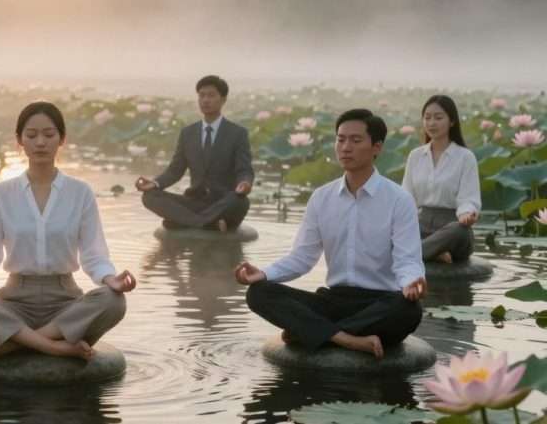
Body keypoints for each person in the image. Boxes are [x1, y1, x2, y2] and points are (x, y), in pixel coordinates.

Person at [0, 102, 135, 361]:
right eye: (31, 135)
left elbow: (94, 255)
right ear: (19, 140)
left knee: (114, 301)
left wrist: (111, 279)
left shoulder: (80, 192)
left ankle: (16, 343)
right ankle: (55, 346)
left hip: (66, 304)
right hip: (14, 304)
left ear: (62, 139)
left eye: (49, 134)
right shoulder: (2, 193)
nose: (40, 142)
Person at [234, 109, 426, 359]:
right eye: (340, 139)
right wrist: (264, 273)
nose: (345, 147)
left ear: (376, 147)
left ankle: (311, 332)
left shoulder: (399, 200)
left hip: (379, 304)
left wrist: (412, 281)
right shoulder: (321, 198)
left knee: (409, 310)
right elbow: (302, 258)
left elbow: (408, 259)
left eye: (356, 141)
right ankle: (346, 339)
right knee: (259, 292)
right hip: (333, 301)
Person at [136, 75, 254, 231]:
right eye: (202, 96)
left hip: (223, 202)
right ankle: (207, 223)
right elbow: (175, 171)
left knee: (240, 201)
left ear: (223, 99)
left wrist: (245, 183)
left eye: (211, 95)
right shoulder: (188, 133)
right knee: (150, 197)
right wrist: (155, 183)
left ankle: (182, 221)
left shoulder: (238, 133)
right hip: (193, 202)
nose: (205, 100)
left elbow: (244, 169)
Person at [402, 95, 480, 264]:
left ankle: (415, 252)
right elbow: (406, 197)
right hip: (420, 224)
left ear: (452, 121)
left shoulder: (465, 157)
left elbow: (469, 198)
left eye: (438, 118)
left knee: (460, 231)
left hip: (451, 227)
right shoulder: (415, 156)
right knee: (386, 229)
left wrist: (466, 214)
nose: (431, 123)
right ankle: (433, 252)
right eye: (427, 118)